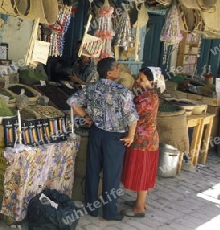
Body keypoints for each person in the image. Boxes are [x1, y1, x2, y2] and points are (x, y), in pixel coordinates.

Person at [66, 57, 139, 221]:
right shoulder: (122, 91)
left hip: (96, 133)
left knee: (92, 170)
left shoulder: (90, 88)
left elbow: (72, 101)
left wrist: (86, 116)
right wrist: (131, 135)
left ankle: (91, 207)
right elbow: (132, 117)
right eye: (117, 68)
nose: (119, 70)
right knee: (111, 175)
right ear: (109, 73)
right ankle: (110, 212)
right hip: (114, 138)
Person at [120, 67, 166, 218]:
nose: (138, 82)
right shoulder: (148, 94)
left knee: (141, 172)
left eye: (142, 80)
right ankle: (139, 202)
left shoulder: (147, 98)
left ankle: (139, 208)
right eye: (138, 78)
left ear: (151, 82)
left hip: (143, 141)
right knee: (143, 171)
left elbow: (131, 114)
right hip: (147, 139)